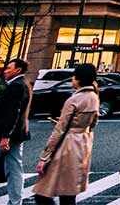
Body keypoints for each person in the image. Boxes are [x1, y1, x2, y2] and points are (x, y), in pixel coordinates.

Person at [33, 64, 99, 205]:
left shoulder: (73, 100)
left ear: (79, 79)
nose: (72, 80)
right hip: (83, 143)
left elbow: (59, 130)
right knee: (69, 192)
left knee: (42, 192)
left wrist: (44, 157)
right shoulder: (94, 96)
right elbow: (93, 123)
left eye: (74, 77)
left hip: (67, 145)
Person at [0, 58, 31, 205]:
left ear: (17, 70)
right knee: (14, 167)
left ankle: (15, 201)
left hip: (10, 136)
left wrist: (6, 136)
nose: (5, 71)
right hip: (14, 134)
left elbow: (13, 113)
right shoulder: (22, 84)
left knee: (14, 169)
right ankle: (15, 201)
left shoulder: (17, 86)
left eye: (8, 68)